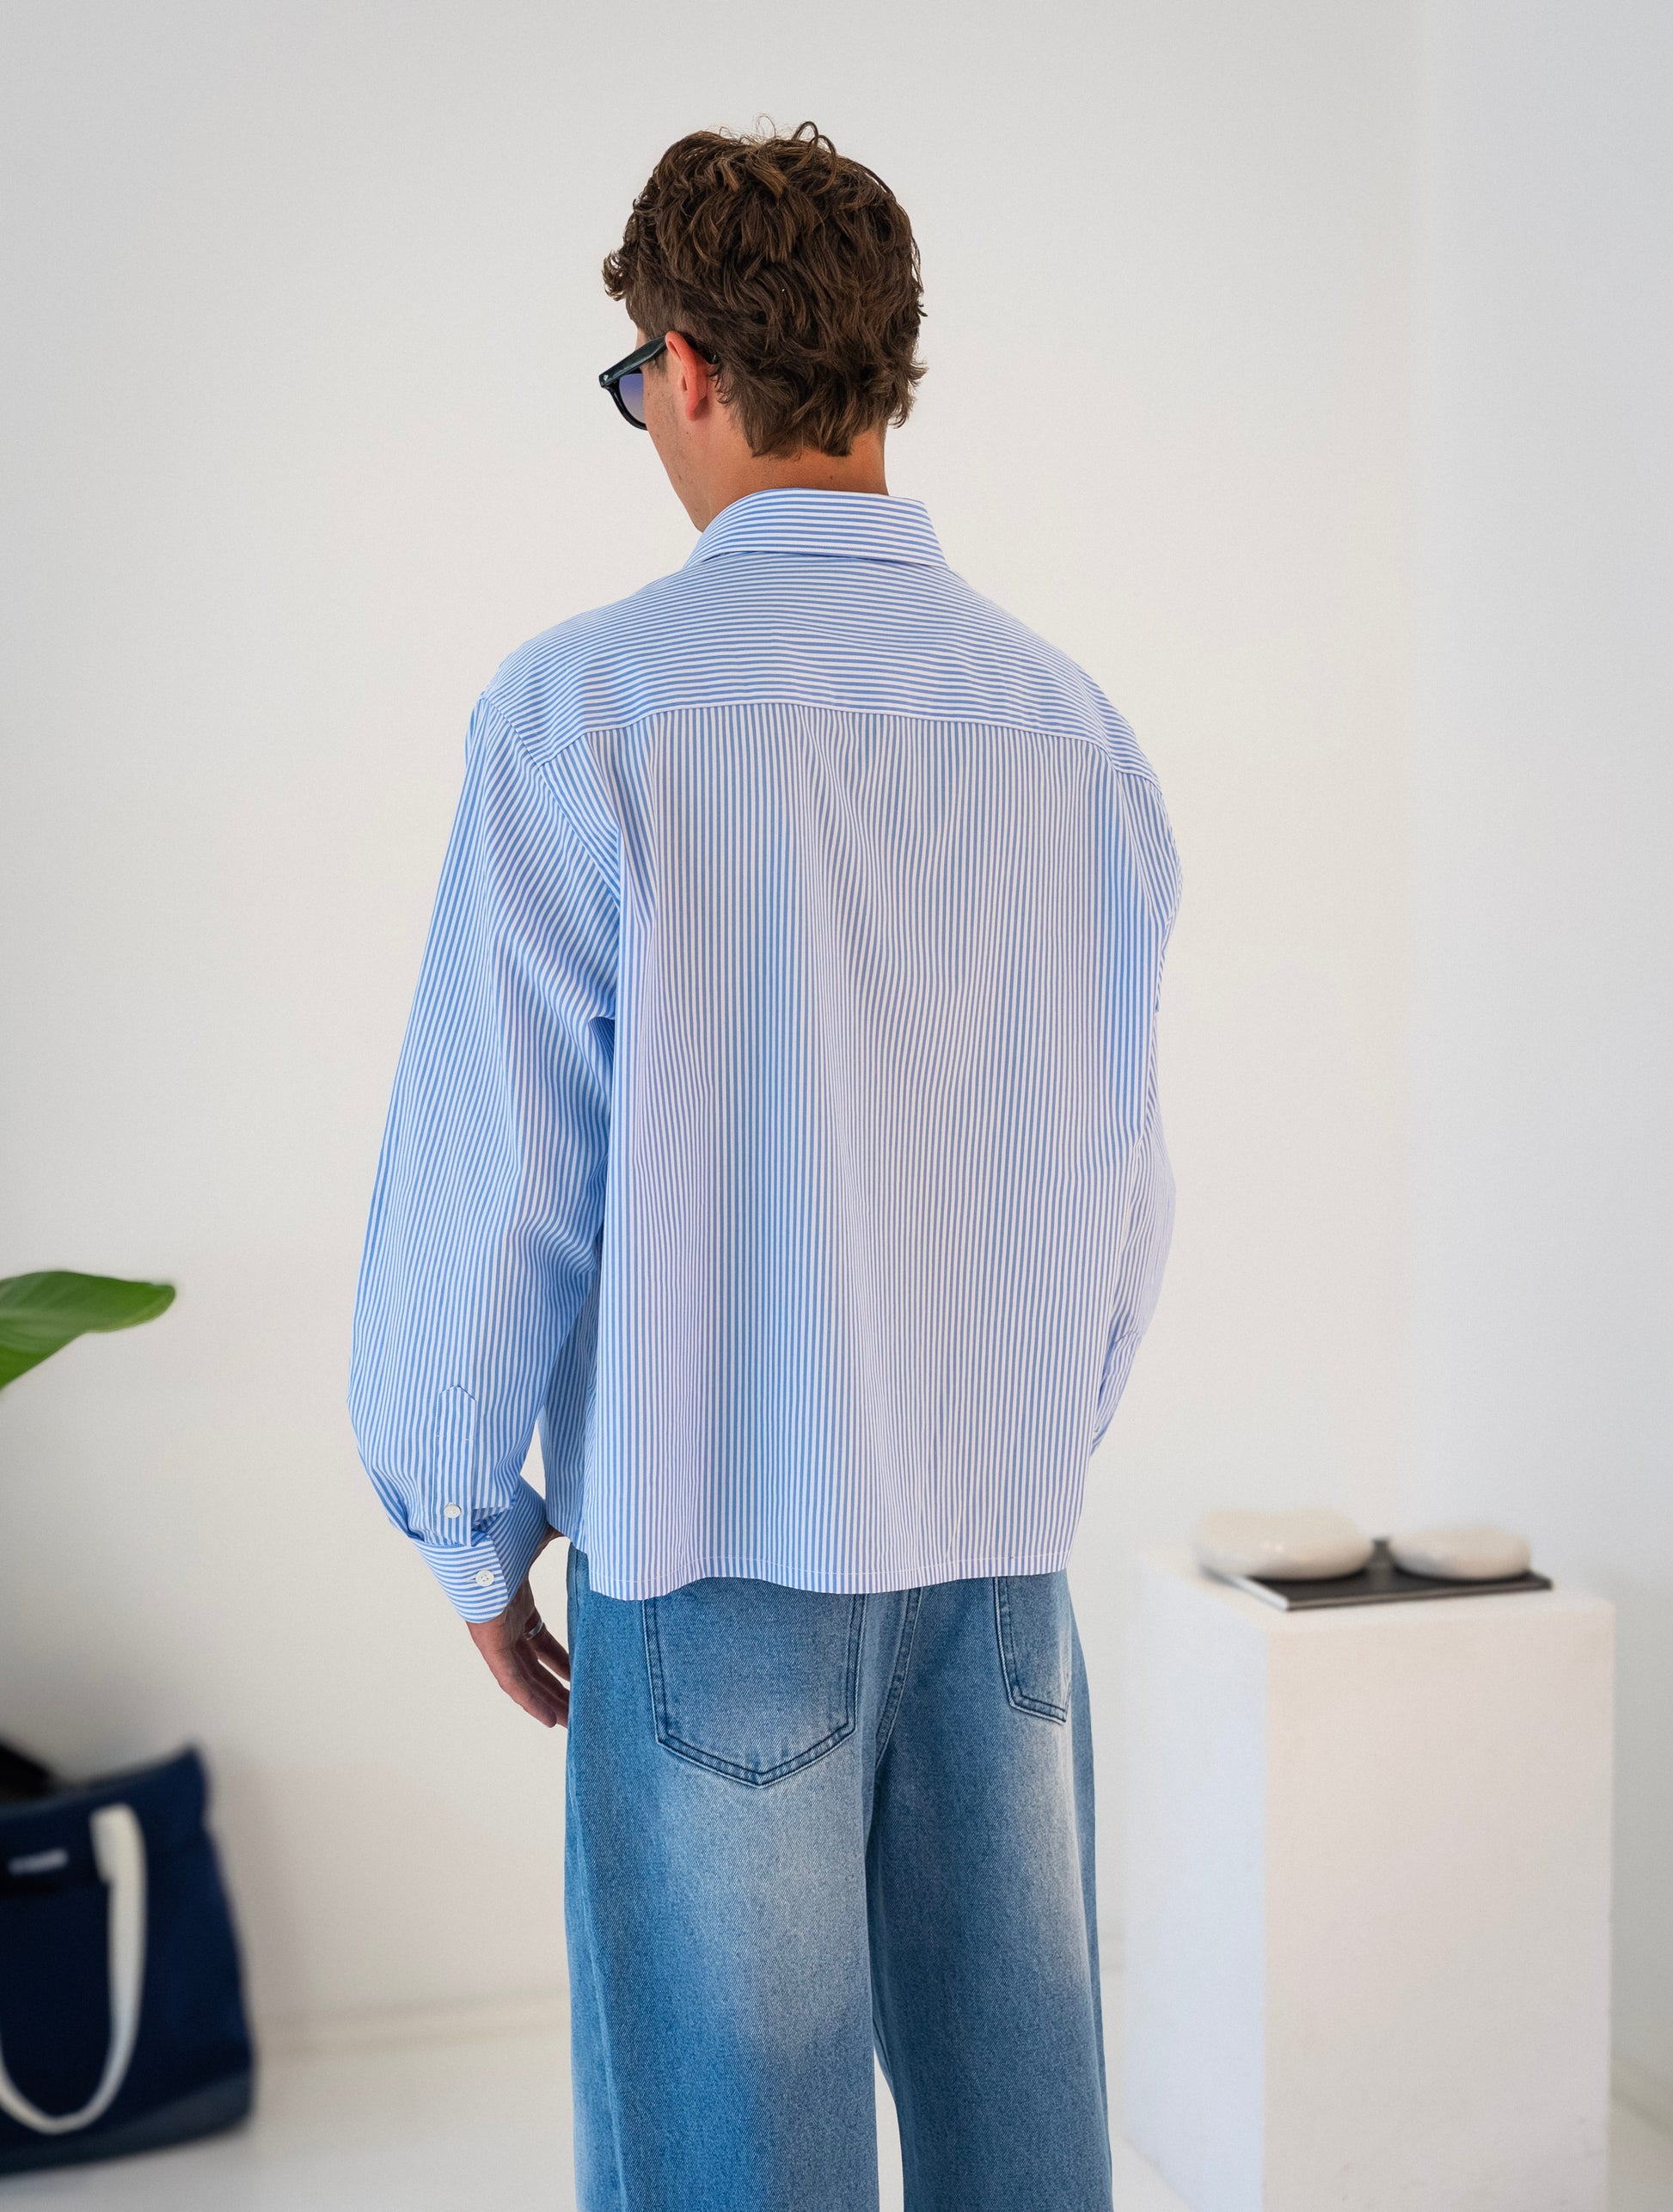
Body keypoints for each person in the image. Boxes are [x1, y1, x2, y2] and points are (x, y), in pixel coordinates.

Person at [349, 120, 1179, 2212]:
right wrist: (1013, 1454)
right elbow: (1118, 1182)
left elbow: (498, 1172)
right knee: (1025, 2150)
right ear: (883, 373)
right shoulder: (1073, 733)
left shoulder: (587, 713)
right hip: (1000, 1565)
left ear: (693, 366)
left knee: (729, 2172)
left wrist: (467, 1530)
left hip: (714, 1555)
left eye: (640, 374)